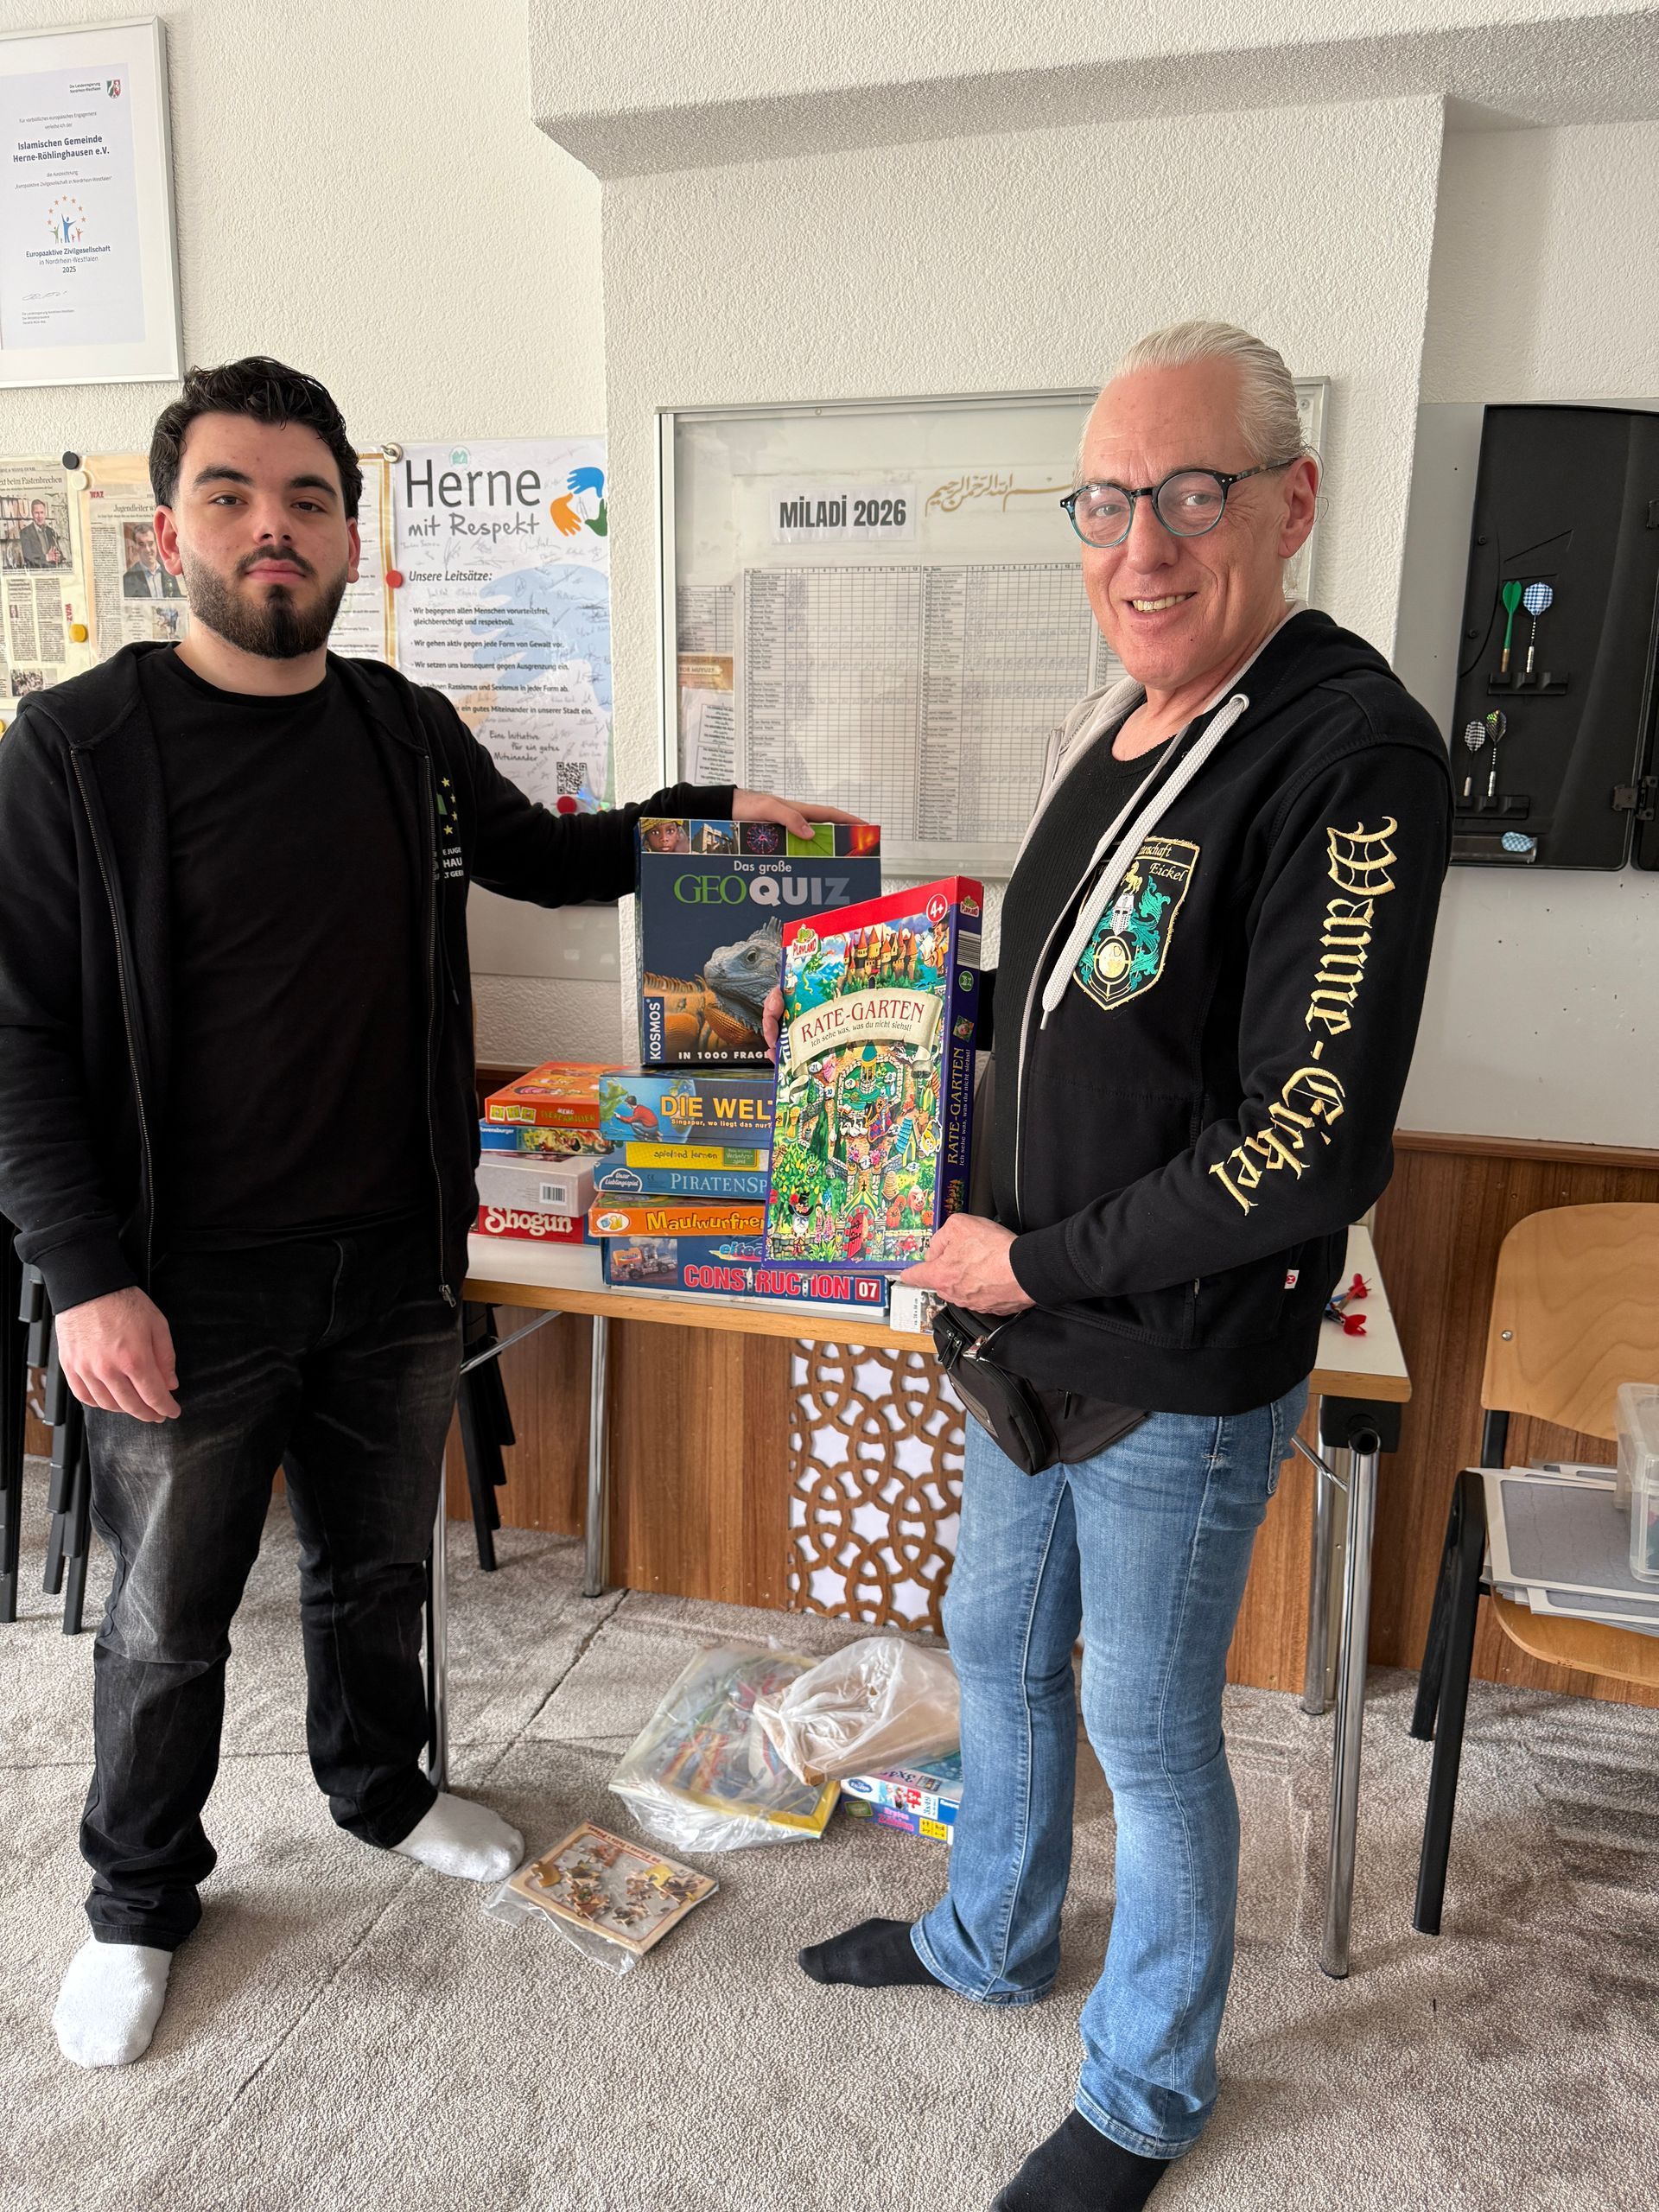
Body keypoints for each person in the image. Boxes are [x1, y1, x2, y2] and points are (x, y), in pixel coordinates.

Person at [0, 356, 846, 2071]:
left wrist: (706, 819)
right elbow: (17, 1029)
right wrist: (84, 1275)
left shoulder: (402, 727)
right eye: (233, 495)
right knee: (166, 1614)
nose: (274, 527)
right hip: (182, 1279)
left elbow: (549, 854)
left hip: (393, 1254)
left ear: (349, 534)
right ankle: (138, 1894)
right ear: (170, 531)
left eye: (308, 498)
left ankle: (381, 1789)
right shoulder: (73, 748)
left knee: (379, 1568)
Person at [783, 322, 1452, 2212]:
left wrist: (1032, 1258)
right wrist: (876, 1041)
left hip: (1168, 1353)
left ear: (1291, 502)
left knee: (1149, 1734)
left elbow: (1310, 1138)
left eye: (1189, 494)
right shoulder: (1123, 717)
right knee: (1000, 1653)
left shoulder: (1349, 751)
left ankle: (1148, 2089)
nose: (1141, 545)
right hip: (1020, 1329)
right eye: (1104, 502)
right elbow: (1084, 1005)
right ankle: (989, 1932)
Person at [123, 526, 182, 598]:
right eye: (141, 544)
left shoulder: (170, 572)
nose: (148, 550)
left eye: (151, 544)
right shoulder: (128, 579)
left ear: (156, 544)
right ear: (136, 547)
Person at [20, 498, 65, 568]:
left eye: (42, 512)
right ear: (32, 514)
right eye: (37, 513)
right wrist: (47, 557)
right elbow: (28, 557)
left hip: (53, 571)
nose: (40, 516)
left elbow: (60, 555)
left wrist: (58, 557)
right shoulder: (25, 532)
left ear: (45, 514)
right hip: (37, 572)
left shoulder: (51, 531)